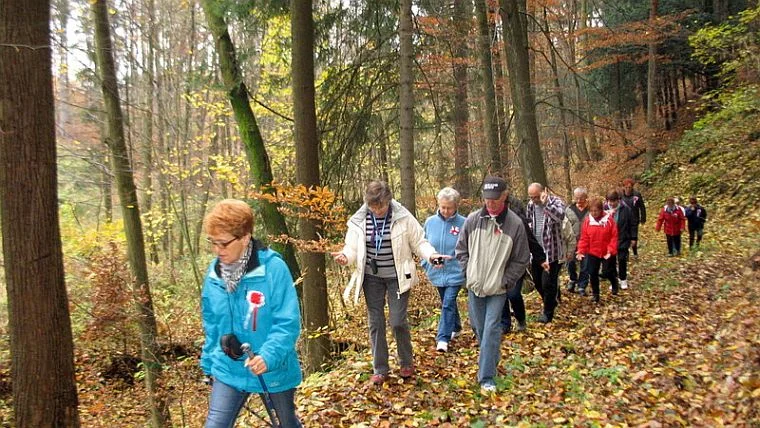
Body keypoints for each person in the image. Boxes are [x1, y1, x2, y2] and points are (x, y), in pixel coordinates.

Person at [331, 180, 448, 385]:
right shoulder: (359, 220)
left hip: (397, 277)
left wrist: (431, 256)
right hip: (371, 278)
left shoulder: (403, 217)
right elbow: (351, 248)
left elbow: (419, 242)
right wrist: (344, 257)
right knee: (375, 322)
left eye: (381, 206)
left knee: (397, 321)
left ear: (389, 201)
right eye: (373, 207)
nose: (377, 211)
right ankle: (380, 368)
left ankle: (406, 362)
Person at [200, 199, 302, 428]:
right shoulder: (214, 274)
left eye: (224, 244)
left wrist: (268, 356)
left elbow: (288, 322)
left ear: (245, 238)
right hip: (228, 368)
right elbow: (211, 322)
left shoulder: (273, 269)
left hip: (272, 368)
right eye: (213, 243)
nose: (218, 250)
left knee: (286, 424)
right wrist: (208, 362)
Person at [456, 176, 530, 393]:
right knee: (479, 329)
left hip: (498, 289)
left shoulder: (515, 224)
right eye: (487, 200)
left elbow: (522, 258)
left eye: (495, 200)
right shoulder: (472, 220)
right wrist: (468, 273)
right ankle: (492, 356)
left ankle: (486, 377)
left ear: (504, 197)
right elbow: (461, 250)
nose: (490, 204)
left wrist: (506, 280)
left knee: (490, 330)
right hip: (475, 286)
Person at [423, 187, 466, 353]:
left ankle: (442, 339)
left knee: (447, 303)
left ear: (456, 206)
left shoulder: (464, 223)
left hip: (456, 271)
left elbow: (468, 248)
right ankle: (456, 325)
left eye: (449, 207)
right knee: (447, 302)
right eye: (442, 207)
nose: (445, 211)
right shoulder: (430, 222)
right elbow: (423, 245)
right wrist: (428, 263)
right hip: (436, 272)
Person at [499, 188, 546, 334]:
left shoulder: (517, 219)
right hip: (498, 263)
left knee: (513, 294)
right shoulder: (488, 218)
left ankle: (521, 319)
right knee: (500, 295)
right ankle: (504, 324)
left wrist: (541, 258)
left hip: (516, 262)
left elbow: (530, 239)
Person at [526, 183, 566, 323]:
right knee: (537, 281)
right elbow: (529, 223)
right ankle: (551, 300)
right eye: (531, 197)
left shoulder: (556, 202)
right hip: (537, 252)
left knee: (547, 283)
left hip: (552, 251)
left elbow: (560, 217)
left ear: (543, 192)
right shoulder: (530, 205)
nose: (534, 200)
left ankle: (548, 313)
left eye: (536, 197)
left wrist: (546, 204)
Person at [576, 198, 619, 303]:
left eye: (596, 211)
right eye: (592, 211)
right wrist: (581, 250)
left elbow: (614, 236)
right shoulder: (587, 222)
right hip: (593, 252)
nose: (594, 213)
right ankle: (596, 294)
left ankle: (614, 283)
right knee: (592, 273)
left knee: (607, 272)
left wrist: (611, 250)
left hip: (607, 252)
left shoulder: (609, 220)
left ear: (601, 210)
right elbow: (584, 238)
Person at [605, 190, 634, 290]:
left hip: (623, 238)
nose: (612, 204)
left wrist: (633, 237)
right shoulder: (604, 209)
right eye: (610, 201)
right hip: (609, 241)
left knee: (622, 260)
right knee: (610, 262)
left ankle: (623, 279)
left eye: (614, 201)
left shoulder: (626, 209)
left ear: (618, 200)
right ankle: (614, 280)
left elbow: (632, 224)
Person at [565, 187, 589, 294]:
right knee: (570, 262)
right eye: (577, 198)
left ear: (586, 197)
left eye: (581, 198)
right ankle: (573, 279)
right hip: (572, 241)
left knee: (585, 264)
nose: (579, 200)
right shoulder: (569, 210)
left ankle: (582, 285)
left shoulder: (590, 210)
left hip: (586, 241)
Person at [621, 178, 646, 258]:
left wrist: (643, 218)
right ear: (624, 187)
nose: (628, 189)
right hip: (624, 219)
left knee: (633, 236)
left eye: (629, 187)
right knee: (625, 236)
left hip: (634, 219)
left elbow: (642, 207)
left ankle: (635, 252)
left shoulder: (637, 195)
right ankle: (626, 253)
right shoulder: (621, 195)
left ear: (632, 187)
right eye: (626, 187)